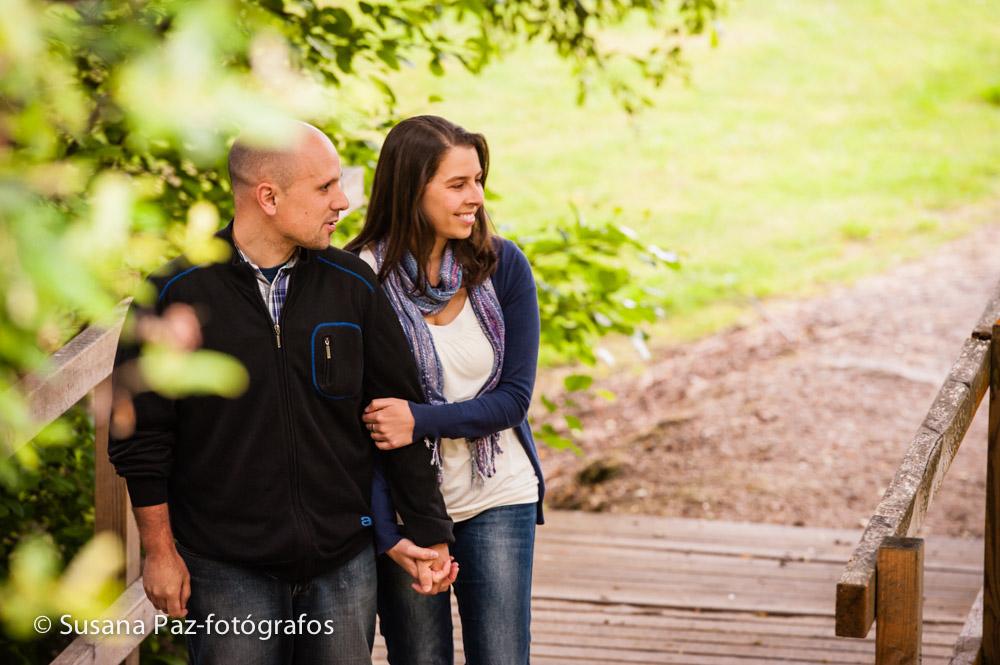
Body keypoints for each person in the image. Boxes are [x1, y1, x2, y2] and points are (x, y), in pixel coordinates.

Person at [108, 122, 455, 665]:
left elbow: (399, 416)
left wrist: (431, 532)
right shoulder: (175, 293)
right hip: (226, 567)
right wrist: (159, 551)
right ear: (267, 196)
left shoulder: (353, 286)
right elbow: (142, 436)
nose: (342, 203)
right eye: (325, 188)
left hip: (342, 562)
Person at [345, 115, 545, 665]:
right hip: (407, 507)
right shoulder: (357, 280)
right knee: (419, 658)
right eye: (457, 184)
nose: (475, 197)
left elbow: (513, 400)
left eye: (478, 180)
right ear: (412, 189)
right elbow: (354, 425)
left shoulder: (502, 267)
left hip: (497, 492)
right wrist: (386, 531)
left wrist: (420, 419)